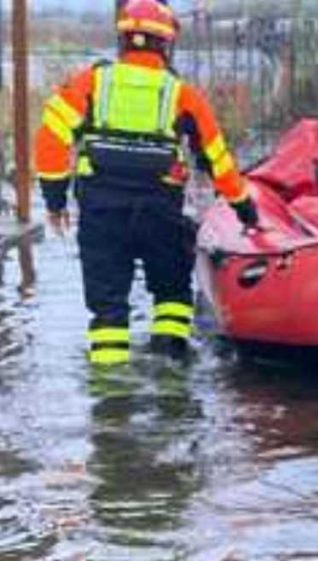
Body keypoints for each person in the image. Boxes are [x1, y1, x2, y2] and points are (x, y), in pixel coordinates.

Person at [34, 0, 259, 366]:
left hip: (102, 215)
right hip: (160, 214)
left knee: (108, 313)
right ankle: (172, 389)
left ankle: (110, 403)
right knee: (172, 296)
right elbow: (217, 159)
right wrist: (244, 209)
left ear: (122, 39)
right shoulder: (183, 95)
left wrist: (55, 201)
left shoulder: (91, 82)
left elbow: (50, 139)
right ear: (166, 45)